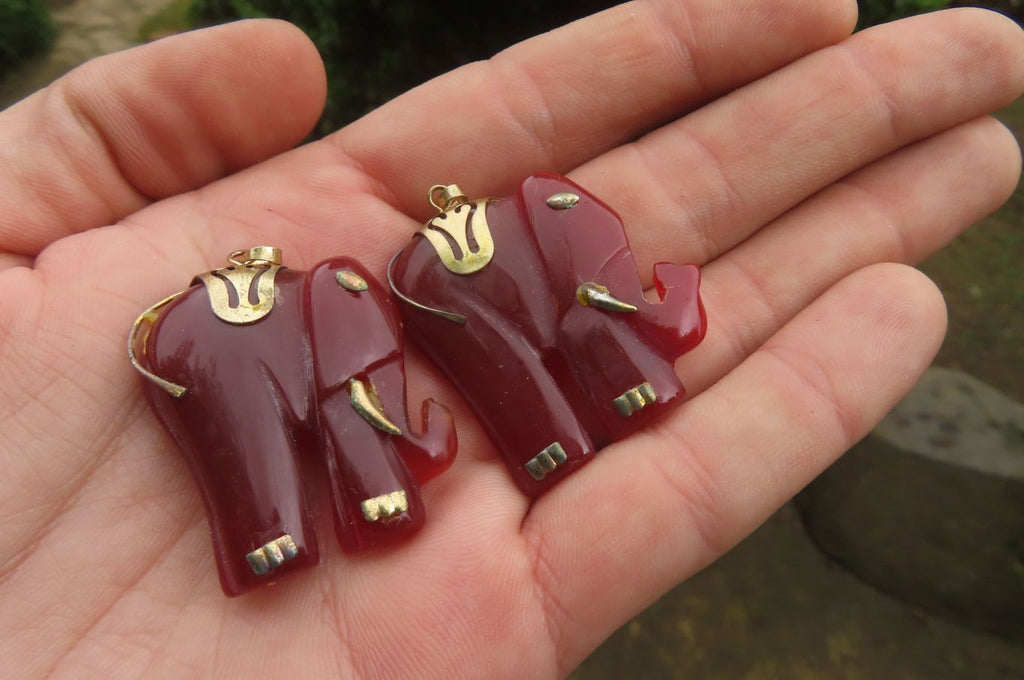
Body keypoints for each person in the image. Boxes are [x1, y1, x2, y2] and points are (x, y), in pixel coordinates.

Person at [0, 2, 1021, 677]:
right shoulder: (401, 280)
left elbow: (572, 295)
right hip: (242, 370)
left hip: (555, 287)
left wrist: (607, 304)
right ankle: (291, 524)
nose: (444, 217)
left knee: (570, 350)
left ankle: (439, 467)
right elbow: (414, 368)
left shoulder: (522, 227)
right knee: (282, 457)